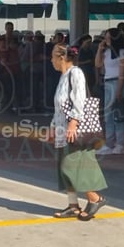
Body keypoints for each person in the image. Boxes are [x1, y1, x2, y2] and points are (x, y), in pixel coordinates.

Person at [50, 44, 107, 221]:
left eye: (52, 57)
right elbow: (60, 107)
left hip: (73, 129)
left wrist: (73, 123)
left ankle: (95, 198)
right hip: (62, 128)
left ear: (61, 58)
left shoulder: (75, 73)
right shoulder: (63, 77)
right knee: (64, 166)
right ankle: (73, 205)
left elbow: (80, 99)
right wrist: (53, 126)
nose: (51, 61)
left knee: (72, 166)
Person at [95, 28, 124, 155]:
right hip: (108, 83)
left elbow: (122, 73)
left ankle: (120, 144)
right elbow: (98, 64)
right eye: (105, 37)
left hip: (118, 83)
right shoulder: (107, 52)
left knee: (119, 115)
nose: (106, 40)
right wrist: (99, 49)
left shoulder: (122, 52)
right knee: (108, 115)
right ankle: (109, 143)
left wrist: (119, 90)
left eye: (109, 37)